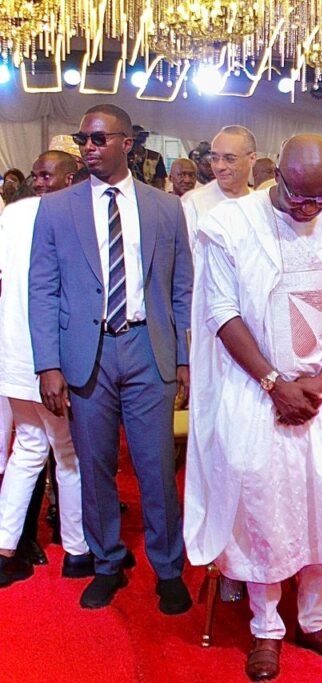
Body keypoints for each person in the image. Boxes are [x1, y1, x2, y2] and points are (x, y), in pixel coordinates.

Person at [185, 134, 322, 681]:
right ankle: (266, 628)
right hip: (257, 392)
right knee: (265, 509)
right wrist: (275, 384)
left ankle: (317, 621)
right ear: (277, 177)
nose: (310, 210)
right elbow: (222, 313)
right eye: (300, 198)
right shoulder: (229, 224)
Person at [28, 104, 193, 613]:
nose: (88, 148)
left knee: (156, 466)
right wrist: (48, 364)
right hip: (87, 353)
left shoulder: (166, 208)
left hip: (148, 348)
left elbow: (182, 288)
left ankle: (168, 568)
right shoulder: (57, 209)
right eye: (83, 139)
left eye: (98, 139)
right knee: (94, 465)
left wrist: (184, 358)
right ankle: (106, 562)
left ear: (127, 143)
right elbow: (42, 290)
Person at [0, 151, 90, 589]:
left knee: (29, 449)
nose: (37, 181)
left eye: (43, 175)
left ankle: (4, 549)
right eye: (36, 174)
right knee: (67, 452)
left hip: (12, 352)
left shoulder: (12, 215)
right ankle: (77, 551)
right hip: (47, 357)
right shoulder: (70, 216)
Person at [181, 125, 257, 247]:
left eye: (230, 159)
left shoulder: (260, 204)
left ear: (251, 159)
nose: (219, 166)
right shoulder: (193, 202)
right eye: (214, 158)